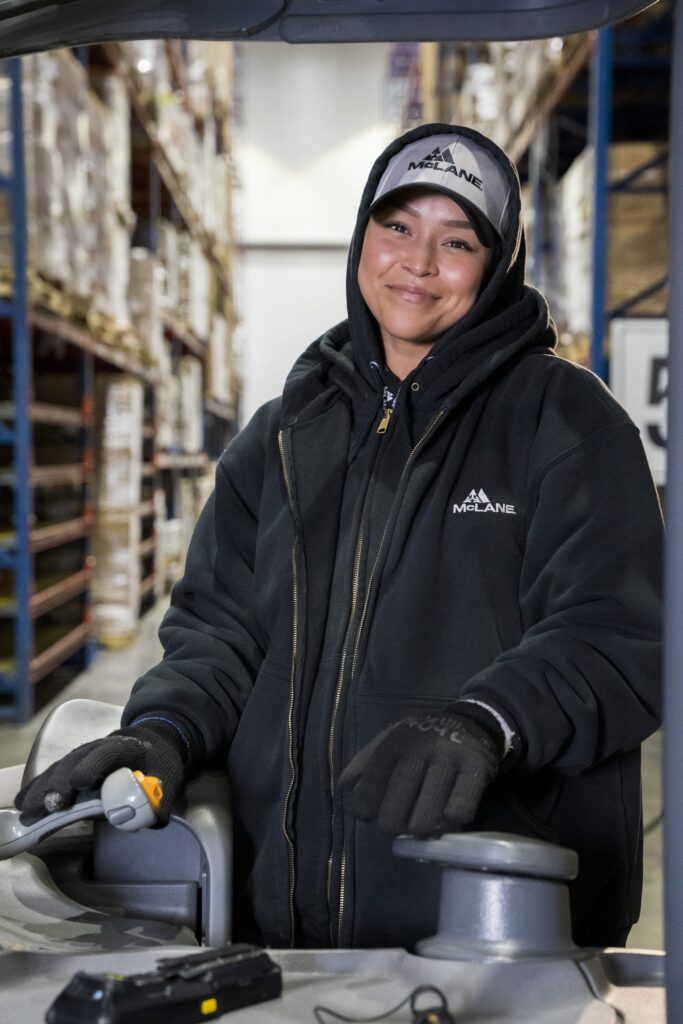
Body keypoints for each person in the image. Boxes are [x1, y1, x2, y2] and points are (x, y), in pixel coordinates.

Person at [15, 124, 663, 952]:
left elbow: (619, 632)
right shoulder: (281, 438)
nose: (417, 263)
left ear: (497, 269)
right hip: (279, 921)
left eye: (456, 240)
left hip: (490, 923)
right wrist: (163, 732)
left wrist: (487, 720)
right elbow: (219, 633)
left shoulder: (566, 424)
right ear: (362, 237)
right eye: (396, 227)